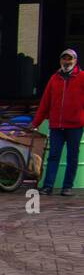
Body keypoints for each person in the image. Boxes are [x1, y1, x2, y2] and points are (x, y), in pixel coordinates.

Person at [33, 48, 84, 196]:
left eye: (70, 59)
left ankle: (67, 186)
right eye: (64, 59)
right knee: (53, 155)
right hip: (56, 125)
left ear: (75, 61)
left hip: (75, 125)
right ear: (60, 61)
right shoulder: (54, 78)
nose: (66, 62)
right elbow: (45, 103)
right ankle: (48, 186)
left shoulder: (81, 77)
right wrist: (35, 123)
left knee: (72, 157)